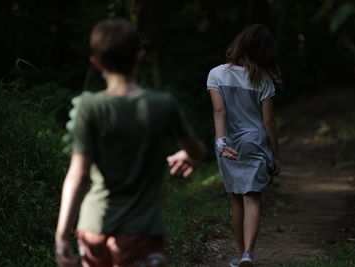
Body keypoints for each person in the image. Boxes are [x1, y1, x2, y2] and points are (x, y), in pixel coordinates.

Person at [55, 18, 206, 267]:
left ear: (96, 62)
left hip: (94, 228)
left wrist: (61, 235)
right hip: (142, 231)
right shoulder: (163, 105)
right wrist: (190, 156)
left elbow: (78, 175)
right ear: (140, 56)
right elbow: (197, 150)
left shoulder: (89, 107)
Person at [206, 24, 281, 267]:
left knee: (235, 198)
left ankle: (240, 255)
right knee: (253, 197)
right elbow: (268, 121)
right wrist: (275, 155)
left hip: (229, 143)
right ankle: (248, 252)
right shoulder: (264, 79)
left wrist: (220, 142)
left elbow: (219, 111)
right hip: (255, 141)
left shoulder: (216, 74)